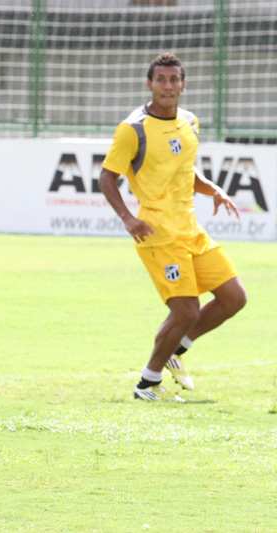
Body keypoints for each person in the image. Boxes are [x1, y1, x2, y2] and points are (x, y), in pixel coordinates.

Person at [99, 52, 246, 401]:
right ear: (149, 84)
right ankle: (147, 385)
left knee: (233, 297)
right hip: (158, 234)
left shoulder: (190, 122)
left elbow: (185, 169)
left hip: (191, 230)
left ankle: (176, 350)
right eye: (161, 80)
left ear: (183, 84)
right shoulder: (133, 129)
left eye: (174, 79)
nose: (168, 86)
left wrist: (212, 188)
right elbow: (107, 178)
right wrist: (128, 218)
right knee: (186, 310)